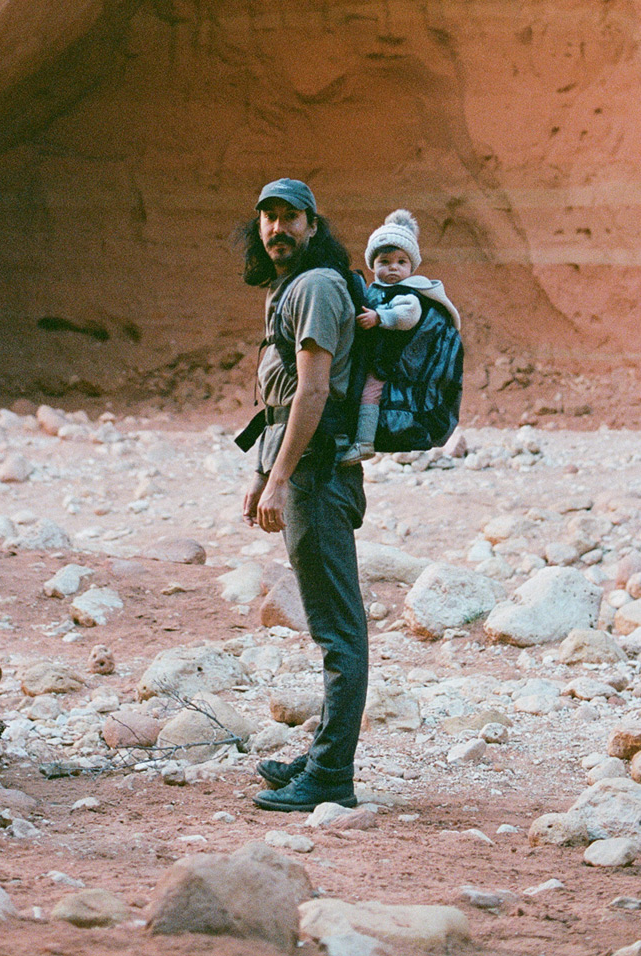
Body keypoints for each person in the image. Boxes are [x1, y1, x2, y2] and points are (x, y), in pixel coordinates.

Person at [238, 178, 367, 812]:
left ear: (313, 226)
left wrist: (282, 477)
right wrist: (263, 473)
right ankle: (320, 757)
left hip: (316, 475)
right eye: (268, 217)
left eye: (291, 217)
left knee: (338, 632)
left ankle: (331, 776)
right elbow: (281, 397)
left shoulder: (315, 287)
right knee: (330, 627)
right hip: (302, 470)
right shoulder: (286, 287)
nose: (277, 228)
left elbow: (313, 392)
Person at [352, 209, 462, 460]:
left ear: (411, 267)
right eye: (384, 262)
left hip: (388, 362)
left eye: (401, 262)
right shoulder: (375, 291)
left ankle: (364, 442)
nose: (393, 268)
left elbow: (408, 315)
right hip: (374, 357)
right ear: (372, 265)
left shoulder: (409, 292)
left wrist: (380, 318)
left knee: (370, 393)